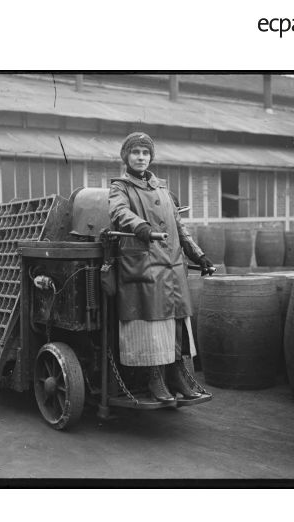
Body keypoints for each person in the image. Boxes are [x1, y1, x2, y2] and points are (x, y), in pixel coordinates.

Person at [108, 132, 213, 406]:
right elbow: (119, 212)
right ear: (126, 157)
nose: (141, 157)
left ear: (151, 157)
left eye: (145, 153)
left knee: (176, 322)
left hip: (172, 268)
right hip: (144, 266)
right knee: (151, 324)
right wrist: (141, 227)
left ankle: (177, 375)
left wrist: (198, 255)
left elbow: (179, 228)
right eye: (135, 152)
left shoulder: (164, 189)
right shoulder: (120, 187)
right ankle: (154, 377)